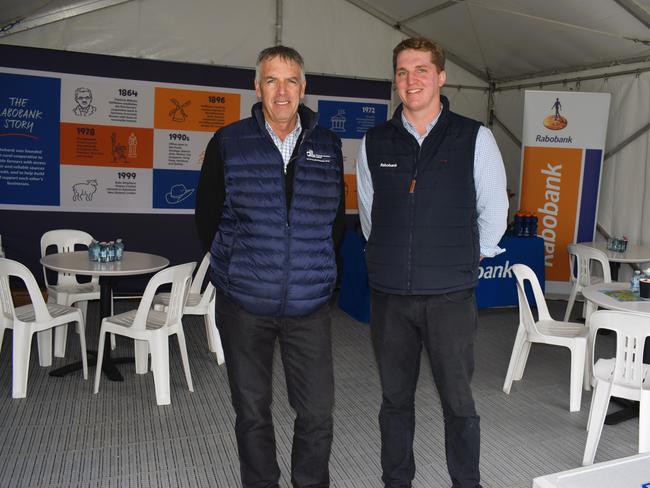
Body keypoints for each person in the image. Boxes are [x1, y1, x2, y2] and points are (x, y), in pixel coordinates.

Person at [356, 37, 508, 488]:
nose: (411, 80)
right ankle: (396, 481)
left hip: (449, 297)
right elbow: (370, 212)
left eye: (421, 70)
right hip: (391, 299)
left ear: (441, 77)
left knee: (458, 402)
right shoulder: (374, 140)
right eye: (403, 72)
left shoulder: (474, 136)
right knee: (395, 401)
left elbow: (494, 210)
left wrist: (466, 256)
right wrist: (389, 256)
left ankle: (467, 483)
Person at [195, 45, 344, 488]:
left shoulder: (328, 144)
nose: (282, 91)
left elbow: (335, 220)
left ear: (304, 87)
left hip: (309, 305)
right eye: (272, 80)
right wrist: (235, 270)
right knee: (252, 411)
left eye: (291, 80)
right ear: (256, 87)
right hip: (244, 303)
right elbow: (207, 217)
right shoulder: (228, 142)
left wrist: (316, 270)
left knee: (317, 411)